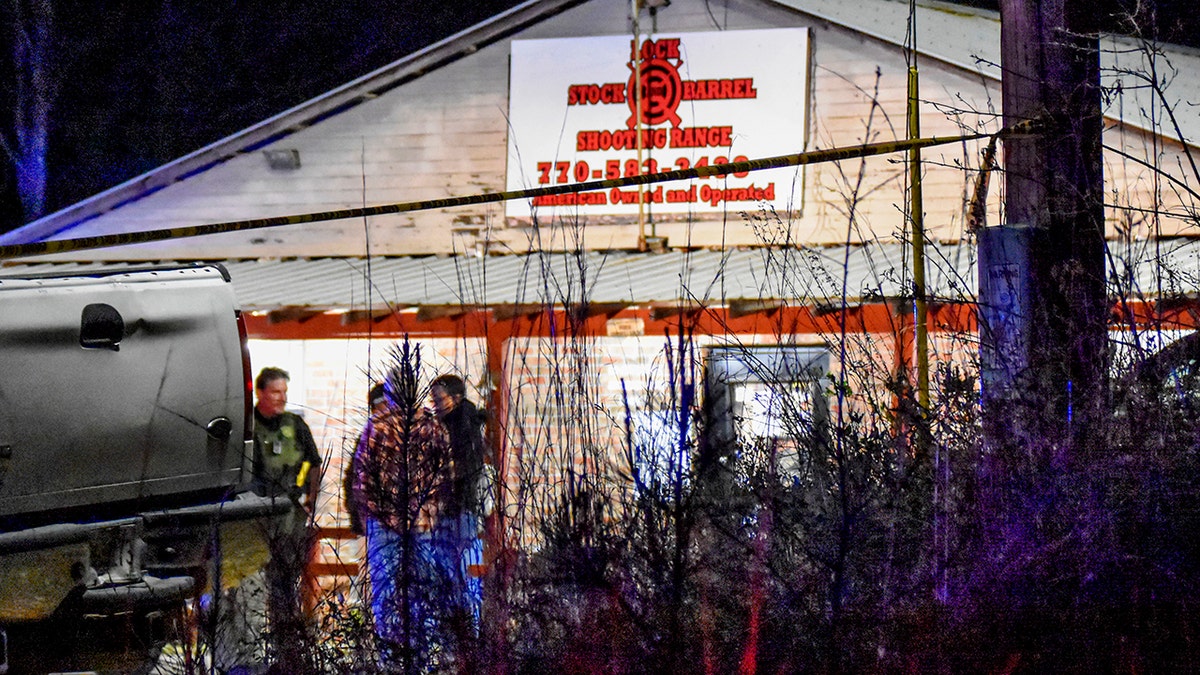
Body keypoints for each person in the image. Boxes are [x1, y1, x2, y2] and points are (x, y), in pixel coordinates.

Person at [351, 368, 489, 671]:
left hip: (386, 527)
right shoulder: (431, 426)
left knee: (387, 593)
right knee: (424, 590)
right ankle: (424, 657)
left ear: (389, 392)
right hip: (424, 525)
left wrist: (373, 517)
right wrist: (430, 511)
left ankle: (392, 659)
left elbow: (361, 478)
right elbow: (445, 476)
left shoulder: (377, 427)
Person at [250, 366, 323, 673]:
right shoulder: (248, 426)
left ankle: (287, 651)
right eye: (276, 392)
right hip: (254, 521)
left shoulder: (295, 425)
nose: (282, 398)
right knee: (252, 589)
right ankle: (251, 652)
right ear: (260, 393)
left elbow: (313, 462)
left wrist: (309, 497)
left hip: (290, 518)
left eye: (285, 392)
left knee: (286, 587)